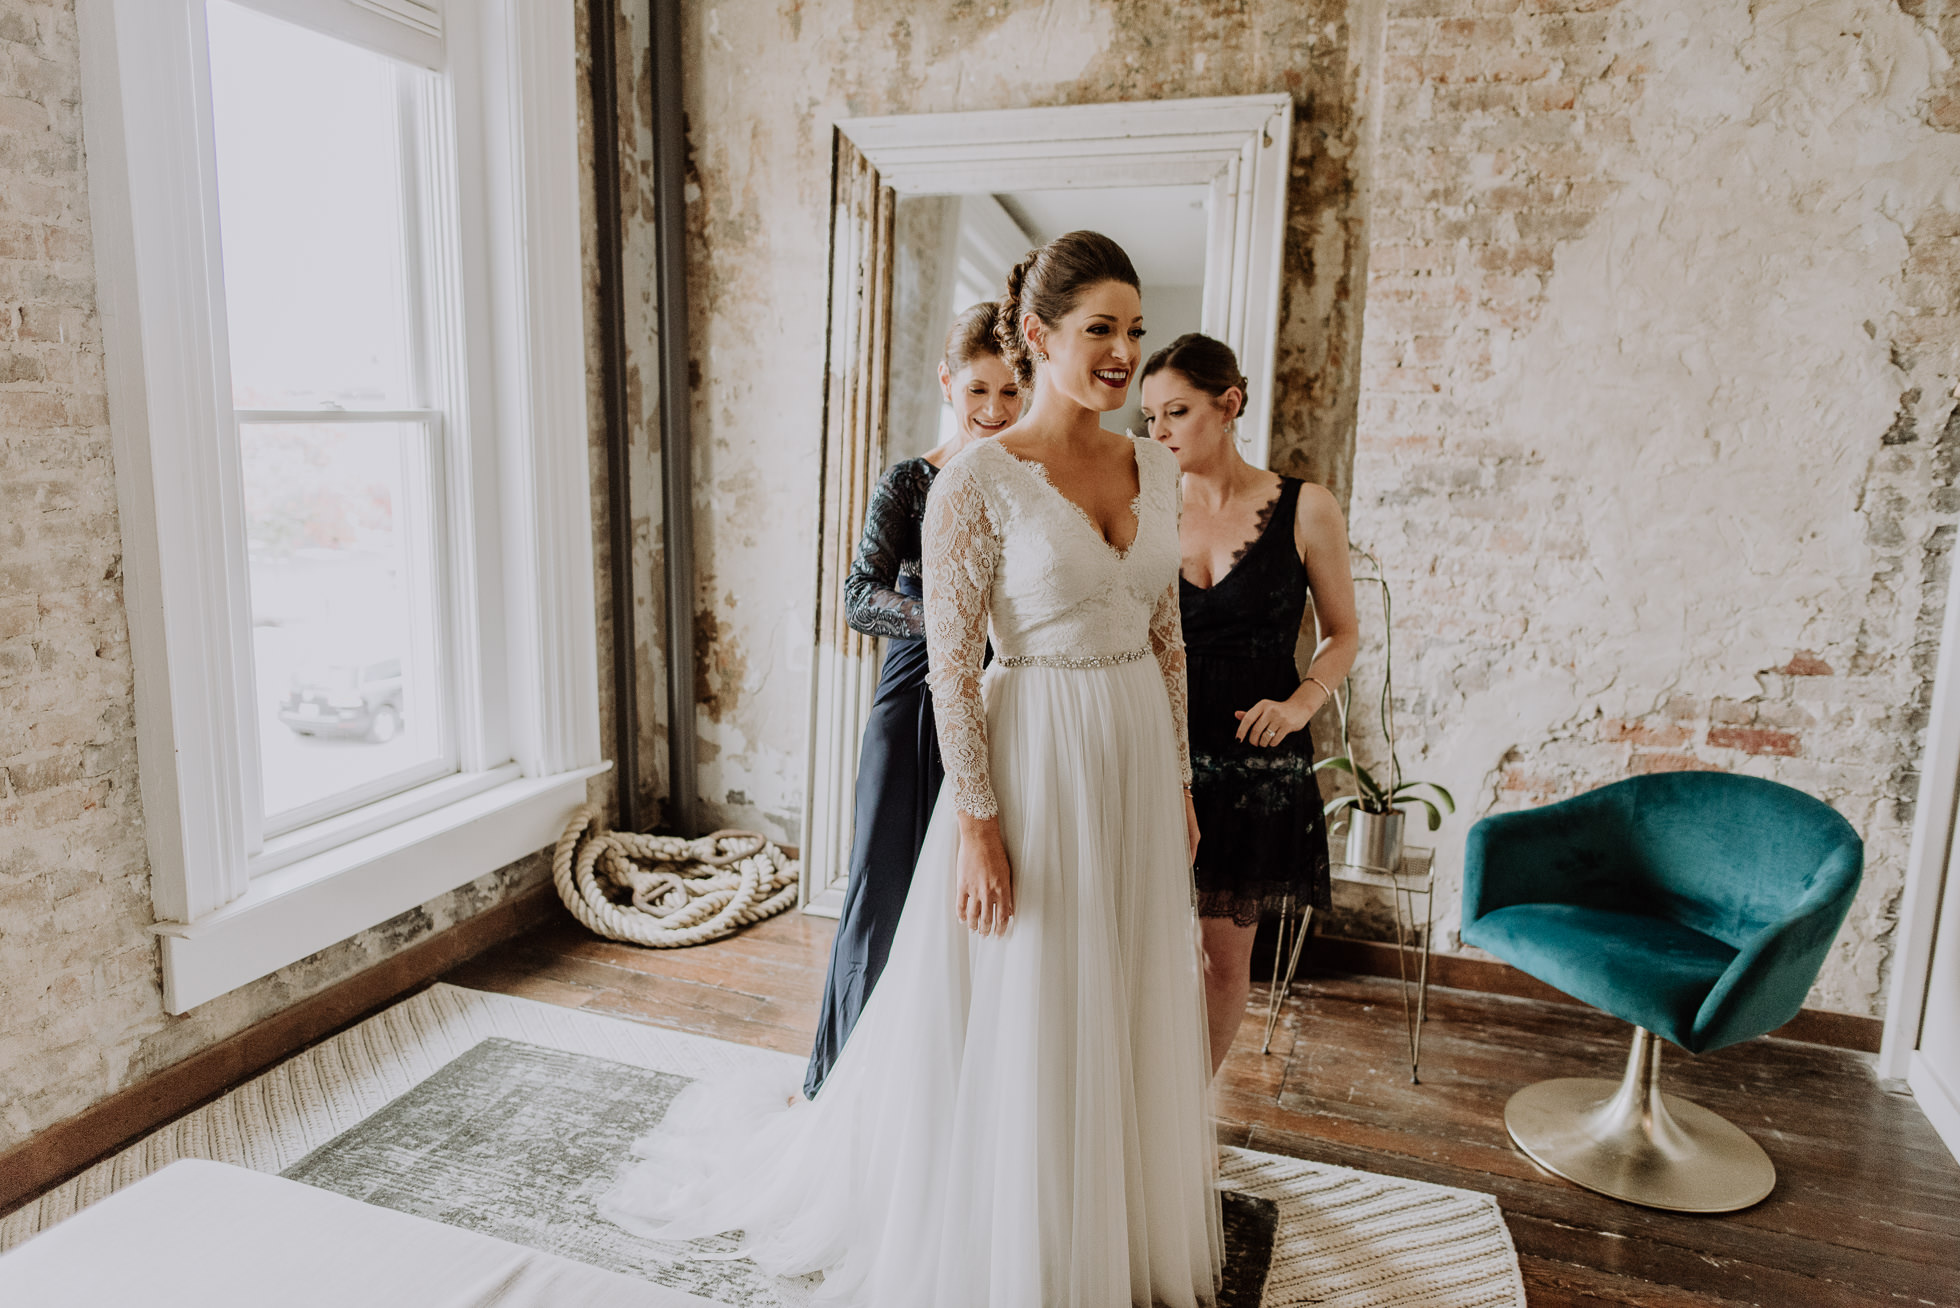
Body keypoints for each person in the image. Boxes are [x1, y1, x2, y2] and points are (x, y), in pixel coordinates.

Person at [604, 231, 1222, 1308]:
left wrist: (1175, 782)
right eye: (1098, 330)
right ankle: (1019, 1238)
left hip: (1129, 748)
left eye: (1133, 331)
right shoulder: (973, 481)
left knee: (1118, 978)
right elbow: (946, 662)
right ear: (1039, 336)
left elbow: (1167, 637)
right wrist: (977, 822)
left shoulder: (1157, 465)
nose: (1123, 352)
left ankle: (1107, 1222)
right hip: (1036, 747)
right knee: (1035, 982)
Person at [803, 303, 1022, 1099]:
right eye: (979, 390)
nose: (995, 411)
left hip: (1005, 713)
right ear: (947, 381)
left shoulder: (1030, 486)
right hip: (913, 711)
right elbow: (859, 596)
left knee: (975, 908)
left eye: (1011, 392)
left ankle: (951, 1093)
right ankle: (843, 1087)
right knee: (882, 893)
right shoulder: (911, 481)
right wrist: (950, 621)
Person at [1140, 333, 1359, 1076]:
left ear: (1228, 404)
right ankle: (1125, 1115)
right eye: (1149, 418)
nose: (1157, 433)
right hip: (1153, 748)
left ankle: (1183, 1120)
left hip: (1256, 762)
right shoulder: (1141, 507)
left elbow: (1343, 634)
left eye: (1175, 412)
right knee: (1130, 947)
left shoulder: (1307, 507)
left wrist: (1303, 704)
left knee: (1222, 962)